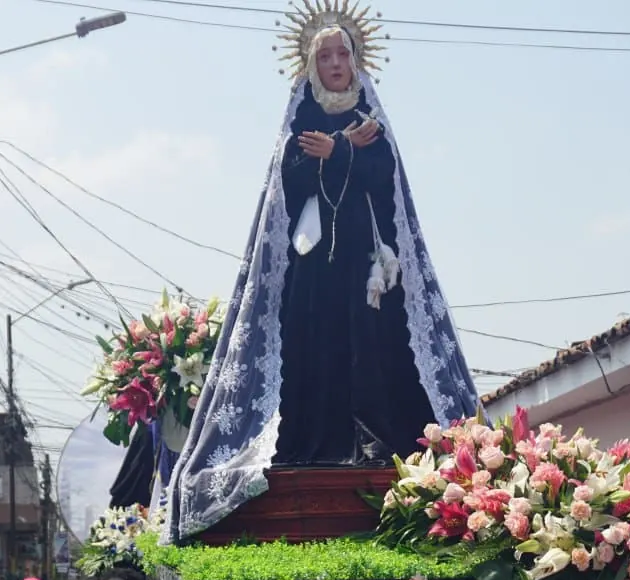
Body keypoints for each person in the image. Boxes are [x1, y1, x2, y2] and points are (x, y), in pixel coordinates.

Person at [165, 13, 476, 543]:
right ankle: (320, 441)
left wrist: (346, 152)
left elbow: (387, 182)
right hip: (313, 268)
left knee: (376, 348)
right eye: (325, 57)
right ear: (310, 64)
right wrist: (331, 156)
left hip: (369, 264)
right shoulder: (302, 115)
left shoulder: (371, 118)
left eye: (343, 55)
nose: (335, 65)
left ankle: (382, 440)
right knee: (319, 346)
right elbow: (287, 182)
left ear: (356, 60)